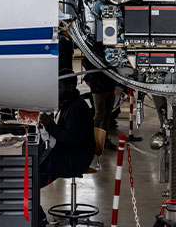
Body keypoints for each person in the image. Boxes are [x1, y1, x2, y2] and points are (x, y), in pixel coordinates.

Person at [38, 68, 95, 226]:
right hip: (68, 154)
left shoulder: (77, 108)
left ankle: (40, 220)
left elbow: (71, 138)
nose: (55, 91)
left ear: (70, 87)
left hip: (73, 160)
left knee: (30, 181)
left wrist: (50, 125)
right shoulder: (68, 104)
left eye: (58, 87)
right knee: (32, 169)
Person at [82, 57, 119, 149]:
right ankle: (93, 139)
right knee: (100, 114)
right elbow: (87, 64)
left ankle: (103, 138)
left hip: (109, 86)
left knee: (107, 114)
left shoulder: (105, 52)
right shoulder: (92, 53)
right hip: (99, 88)